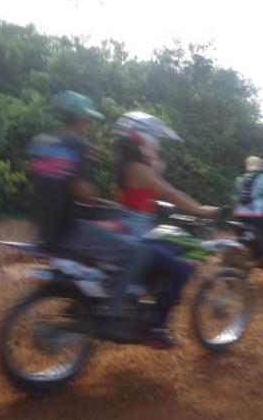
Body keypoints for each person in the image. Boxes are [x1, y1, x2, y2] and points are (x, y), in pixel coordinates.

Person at [28, 91, 153, 323]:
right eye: (90, 118)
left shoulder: (42, 143)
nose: (93, 122)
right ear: (83, 119)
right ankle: (113, 313)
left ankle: (95, 296)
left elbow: (50, 181)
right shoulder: (77, 145)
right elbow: (81, 192)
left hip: (44, 227)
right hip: (69, 229)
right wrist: (96, 198)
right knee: (136, 253)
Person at [113, 111, 218, 347]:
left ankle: (144, 305)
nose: (158, 147)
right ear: (145, 138)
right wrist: (201, 210)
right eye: (156, 141)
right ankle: (157, 328)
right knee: (179, 271)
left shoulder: (130, 167)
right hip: (135, 235)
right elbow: (169, 191)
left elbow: (145, 194)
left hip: (129, 228)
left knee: (164, 255)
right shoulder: (138, 169)